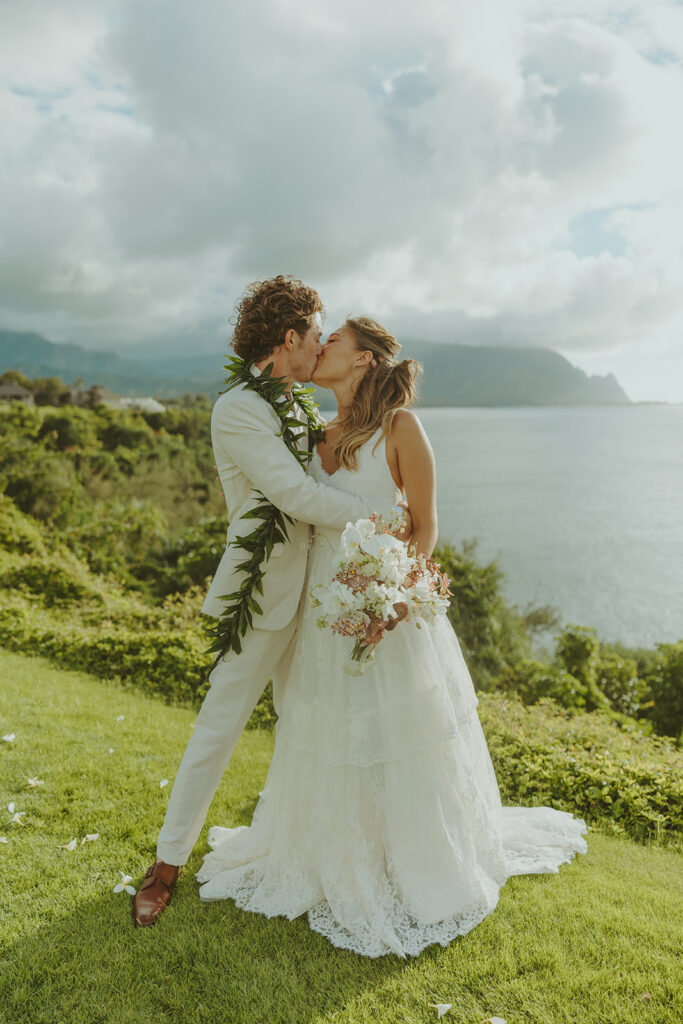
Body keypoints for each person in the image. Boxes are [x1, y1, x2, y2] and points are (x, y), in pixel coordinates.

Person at [195, 316, 588, 959]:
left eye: (334, 343)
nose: (320, 349)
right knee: (328, 727)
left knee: (398, 733)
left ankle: (413, 856)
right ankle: (336, 854)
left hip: (387, 602)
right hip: (323, 604)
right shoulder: (315, 435)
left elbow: (426, 525)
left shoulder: (401, 428)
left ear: (364, 361)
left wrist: (396, 594)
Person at [134, 281, 407, 927]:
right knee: (217, 727)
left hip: (322, 595)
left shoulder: (297, 405)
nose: (321, 344)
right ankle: (165, 866)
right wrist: (382, 519)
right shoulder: (238, 408)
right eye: (316, 334)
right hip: (260, 597)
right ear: (288, 339)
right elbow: (294, 494)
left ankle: (315, 856)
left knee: (311, 729)